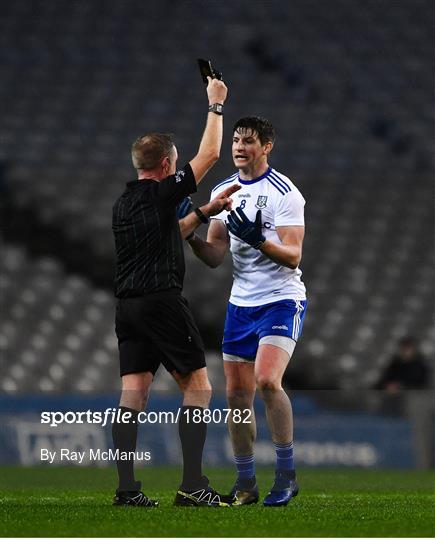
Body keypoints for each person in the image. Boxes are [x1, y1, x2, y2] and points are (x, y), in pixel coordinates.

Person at [111, 76, 239, 507]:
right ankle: (192, 485)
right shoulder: (164, 193)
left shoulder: (125, 203)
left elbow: (171, 232)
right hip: (161, 300)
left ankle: (127, 489)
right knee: (199, 389)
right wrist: (215, 104)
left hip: (127, 309)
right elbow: (210, 155)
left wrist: (204, 211)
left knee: (134, 395)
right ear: (166, 165)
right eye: (176, 162)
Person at [186, 116, 307, 507]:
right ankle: (245, 484)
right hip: (241, 305)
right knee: (237, 396)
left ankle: (287, 477)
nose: (239, 147)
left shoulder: (284, 192)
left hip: (280, 298)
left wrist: (259, 242)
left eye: (248, 141)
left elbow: (293, 256)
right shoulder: (224, 190)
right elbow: (215, 255)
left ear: (266, 146)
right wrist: (192, 239)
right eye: (236, 140)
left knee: (268, 381)